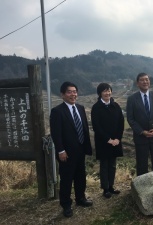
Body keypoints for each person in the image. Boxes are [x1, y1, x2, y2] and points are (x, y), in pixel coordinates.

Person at [50, 81, 93, 218]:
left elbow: (84, 128)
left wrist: (86, 146)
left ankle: (80, 199)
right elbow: (56, 133)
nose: (73, 94)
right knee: (67, 179)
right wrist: (60, 150)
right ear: (62, 95)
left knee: (81, 176)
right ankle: (66, 205)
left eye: (75, 91)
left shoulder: (80, 108)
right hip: (66, 153)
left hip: (80, 149)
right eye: (69, 92)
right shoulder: (57, 111)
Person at [126, 72, 153, 176]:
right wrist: (142, 131)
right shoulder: (131, 99)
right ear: (137, 83)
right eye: (142, 80)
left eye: (147, 79)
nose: (145, 82)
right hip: (141, 138)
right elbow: (130, 119)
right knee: (141, 165)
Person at [91, 83, 124, 198]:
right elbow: (96, 127)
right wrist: (108, 139)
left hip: (115, 141)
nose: (107, 93)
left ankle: (111, 186)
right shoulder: (96, 108)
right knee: (104, 165)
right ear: (100, 93)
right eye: (104, 91)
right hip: (103, 142)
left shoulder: (116, 106)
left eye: (109, 90)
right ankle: (105, 188)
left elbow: (121, 123)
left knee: (113, 165)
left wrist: (117, 138)